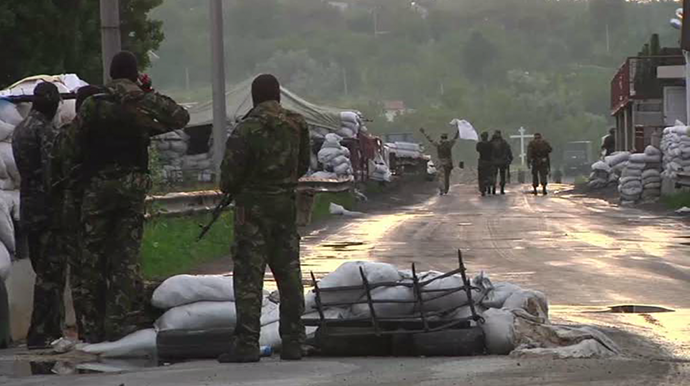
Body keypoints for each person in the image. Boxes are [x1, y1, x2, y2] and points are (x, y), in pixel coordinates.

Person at [72, 51, 189, 343]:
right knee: (125, 256)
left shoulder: (92, 104)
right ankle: (119, 323)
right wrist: (146, 92)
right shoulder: (140, 101)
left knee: (92, 257)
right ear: (135, 74)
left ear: (111, 74)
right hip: (131, 185)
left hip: (97, 187)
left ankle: (91, 327)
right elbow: (180, 117)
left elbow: (74, 144)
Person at [218, 74, 310, 363]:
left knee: (249, 277)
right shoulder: (298, 124)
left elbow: (228, 179)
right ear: (279, 96)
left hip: (252, 211)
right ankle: (294, 341)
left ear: (254, 97)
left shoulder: (246, 129)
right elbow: (303, 164)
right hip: (284, 206)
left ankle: (247, 343)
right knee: (289, 274)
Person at [11, 82, 65, 349]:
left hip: (29, 208)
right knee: (51, 274)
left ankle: (47, 330)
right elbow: (51, 173)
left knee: (42, 271)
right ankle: (44, 331)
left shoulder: (21, 129)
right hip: (48, 211)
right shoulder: (46, 130)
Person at [419, 127, 459, 195]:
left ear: (441, 138)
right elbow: (455, 138)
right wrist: (458, 131)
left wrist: (424, 133)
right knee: (447, 177)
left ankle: (441, 189)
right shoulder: (449, 144)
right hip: (448, 162)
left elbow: (430, 140)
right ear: (446, 138)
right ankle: (446, 189)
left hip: (440, 162)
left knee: (441, 176)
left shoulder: (438, 144)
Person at [489, 130, 513, 195]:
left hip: (493, 162)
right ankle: (501, 189)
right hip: (502, 161)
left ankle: (493, 188)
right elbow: (508, 151)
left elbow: (488, 152)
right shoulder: (504, 142)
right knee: (502, 176)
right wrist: (510, 159)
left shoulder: (491, 142)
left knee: (494, 175)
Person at [476, 132, 493, 196]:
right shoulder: (490, 144)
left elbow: (477, 150)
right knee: (490, 174)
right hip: (489, 161)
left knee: (481, 176)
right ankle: (489, 183)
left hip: (482, 161)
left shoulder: (479, 144)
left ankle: (482, 189)